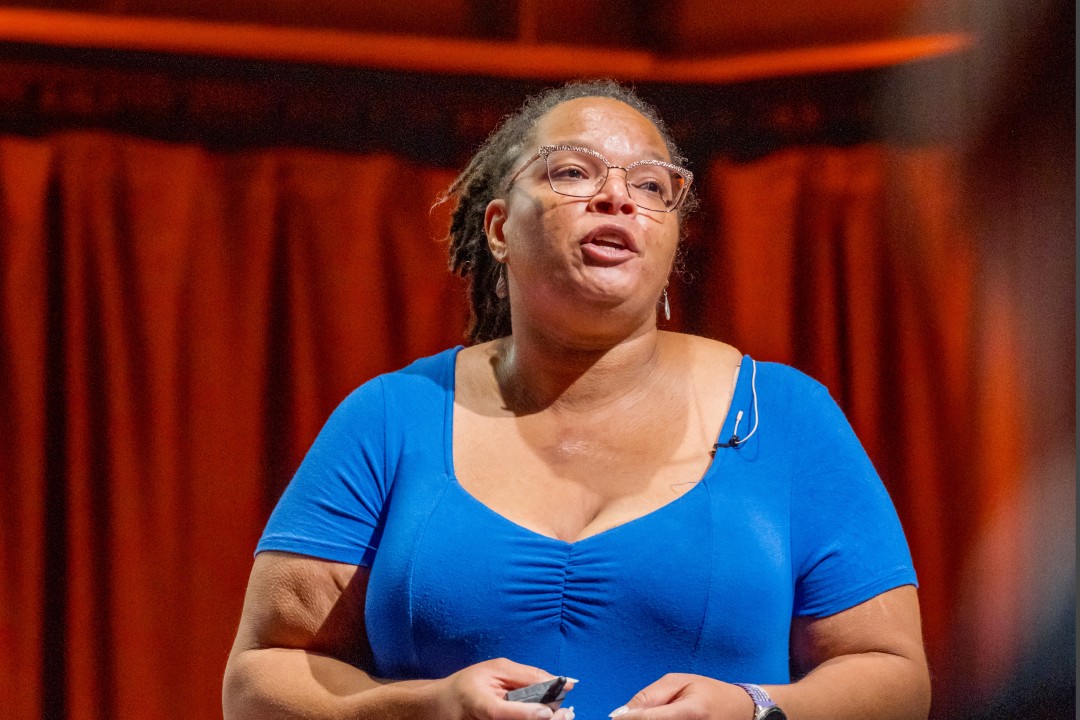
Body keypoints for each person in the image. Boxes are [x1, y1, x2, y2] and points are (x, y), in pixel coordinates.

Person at [222, 80, 930, 720]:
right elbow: (258, 683)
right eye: (572, 171)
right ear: (499, 229)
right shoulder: (389, 418)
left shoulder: (784, 416)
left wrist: (752, 710)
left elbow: (894, 679)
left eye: (653, 186)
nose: (618, 196)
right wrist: (425, 710)